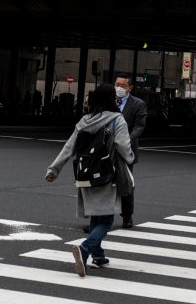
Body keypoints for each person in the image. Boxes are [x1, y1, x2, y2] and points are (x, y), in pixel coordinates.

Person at [47, 83, 134, 276]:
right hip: (106, 174)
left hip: (84, 174)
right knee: (107, 219)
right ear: (113, 99)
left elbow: (69, 147)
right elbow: (122, 145)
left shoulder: (84, 120)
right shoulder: (117, 120)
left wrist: (54, 169)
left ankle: (98, 256)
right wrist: (130, 158)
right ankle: (85, 248)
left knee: (96, 214)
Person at [115, 74, 146, 228]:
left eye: (122, 86)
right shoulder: (109, 101)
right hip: (106, 149)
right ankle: (98, 218)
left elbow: (139, 126)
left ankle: (127, 216)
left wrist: (128, 139)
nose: (118, 88)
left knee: (126, 184)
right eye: (117, 84)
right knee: (101, 184)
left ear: (130, 88)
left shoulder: (138, 104)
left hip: (127, 150)